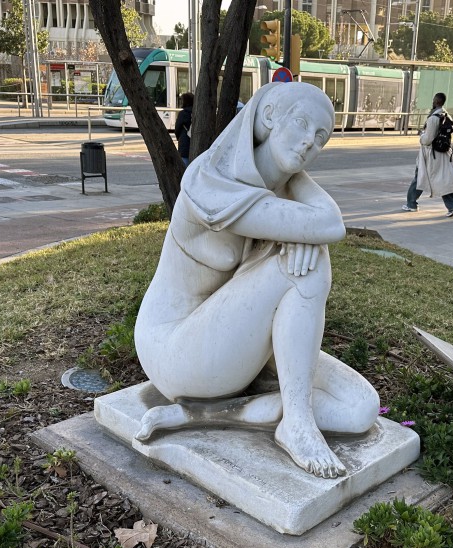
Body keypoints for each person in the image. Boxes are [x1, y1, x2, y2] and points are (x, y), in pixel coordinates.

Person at [133, 82, 379, 479]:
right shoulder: (209, 180)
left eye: (320, 138)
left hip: (231, 339)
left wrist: (290, 176)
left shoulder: (280, 188)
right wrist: (304, 234)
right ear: (268, 117)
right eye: (300, 124)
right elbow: (328, 224)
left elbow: (321, 222)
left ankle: (210, 413)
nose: (307, 144)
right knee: (309, 262)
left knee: (359, 409)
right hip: (174, 349)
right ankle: (296, 423)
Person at [402, 92, 453, 216]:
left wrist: (421, 136)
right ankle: (452, 206)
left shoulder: (433, 118)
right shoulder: (446, 115)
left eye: (433, 100)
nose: (432, 102)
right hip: (443, 153)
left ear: (436, 102)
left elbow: (428, 139)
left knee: (420, 177)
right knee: (442, 179)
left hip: (431, 155)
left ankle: (411, 204)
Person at [174, 91, 193, 166]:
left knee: (184, 165)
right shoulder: (197, 112)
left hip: (184, 141)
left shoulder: (183, 113)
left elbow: (177, 129)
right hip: (196, 143)